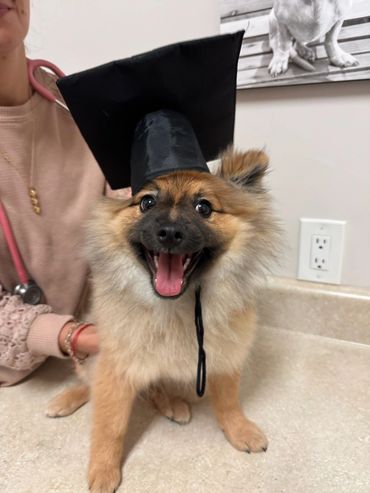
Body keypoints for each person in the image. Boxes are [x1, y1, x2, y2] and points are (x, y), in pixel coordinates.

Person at [0, 0, 127, 386]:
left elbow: (129, 217)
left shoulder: (83, 107)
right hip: (22, 391)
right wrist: (76, 336)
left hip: (102, 359)